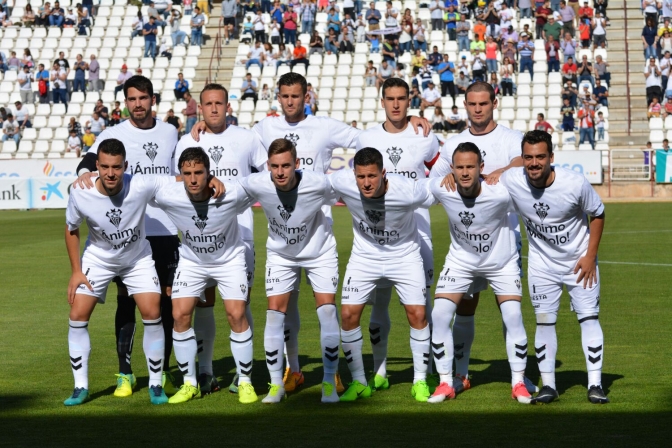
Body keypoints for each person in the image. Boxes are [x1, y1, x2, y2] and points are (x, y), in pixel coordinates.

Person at [428, 82, 538, 396]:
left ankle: (520, 377)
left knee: (510, 311)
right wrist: (449, 175)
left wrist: (502, 170)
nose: (478, 110)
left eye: (483, 104)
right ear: (465, 105)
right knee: (465, 308)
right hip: (465, 246)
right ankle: (458, 375)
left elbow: (528, 163)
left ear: (494, 103)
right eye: (472, 104)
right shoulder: (454, 143)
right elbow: (435, 179)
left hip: (505, 239)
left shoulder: (512, 139)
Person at [74, 76, 181, 399]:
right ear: (125, 102)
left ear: (152, 99)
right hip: (130, 233)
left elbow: (181, 167)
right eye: (132, 99)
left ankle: (157, 373)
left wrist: (197, 131)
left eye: (143, 98)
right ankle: (125, 372)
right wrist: (84, 176)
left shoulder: (170, 131)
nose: (138, 104)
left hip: (166, 230)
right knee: (126, 302)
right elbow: (87, 163)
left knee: (164, 303)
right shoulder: (112, 134)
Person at [500, 130, 609, 405]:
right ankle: (549, 386)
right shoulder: (512, 179)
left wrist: (590, 256)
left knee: (589, 318)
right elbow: (487, 178)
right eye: (528, 158)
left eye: (539, 157)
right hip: (541, 265)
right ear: (522, 158)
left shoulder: (575, 183)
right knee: (545, 320)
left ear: (551, 157)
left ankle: (595, 384)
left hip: (579, 263)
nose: (533, 163)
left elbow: (597, 214)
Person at [173, 83, 266, 395]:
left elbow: (267, 173)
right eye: (208, 104)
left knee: (239, 305)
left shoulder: (246, 137)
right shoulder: (188, 139)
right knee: (203, 304)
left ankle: (244, 375)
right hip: (199, 237)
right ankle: (205, 371)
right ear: (200, 107)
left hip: (240, 234)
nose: (213, 109)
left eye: (219, 103)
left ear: (228, 106)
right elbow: (178, 181)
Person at [237, 138, 341, 403]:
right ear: (268, 166)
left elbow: (350, 188)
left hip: (319, 252)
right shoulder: (258, 182)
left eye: (285, 165)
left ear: (297, 164)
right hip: (281, 255)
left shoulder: (318, 182)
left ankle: (329, 380)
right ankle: (276, 385)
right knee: (274, 316)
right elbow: (227, 188)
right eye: (274, 166)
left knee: (327, 311)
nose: (280, 172)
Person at [151, 147, 257, 404]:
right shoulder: (168, 195)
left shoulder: (230, 193)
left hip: (229, 261)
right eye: (187, 173)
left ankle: (245, 381)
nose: (193, 179)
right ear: (180, 175)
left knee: (236, 314)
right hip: (192, 261)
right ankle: (190, 383)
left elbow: (262, 184)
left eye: (199, 172)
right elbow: (137, 185)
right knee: (179, 315)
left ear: (210, 173)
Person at [353, 79, 440, 392]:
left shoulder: (424, 135)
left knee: (421, 305)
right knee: (379, 302)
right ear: (382, 101)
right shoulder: (367, 137)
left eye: (402, 98)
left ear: (409, 100)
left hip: (418, 230)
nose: (396, 105)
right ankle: (380, 370)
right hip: (378, 234)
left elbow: (441, 170)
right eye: (390, 98)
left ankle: (425, 371)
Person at [328, 147, 433, 402]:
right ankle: (360, 382)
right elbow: (307, 180)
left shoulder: (408, 189)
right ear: (354, 174)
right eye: (361, 176)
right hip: (365, 257)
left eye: (372, 176)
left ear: (383, 173)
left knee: (417, 314)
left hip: (404, 256)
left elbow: (439, 189)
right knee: (348, 315)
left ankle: (420, 380)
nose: (366, 183)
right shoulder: (342, 181)